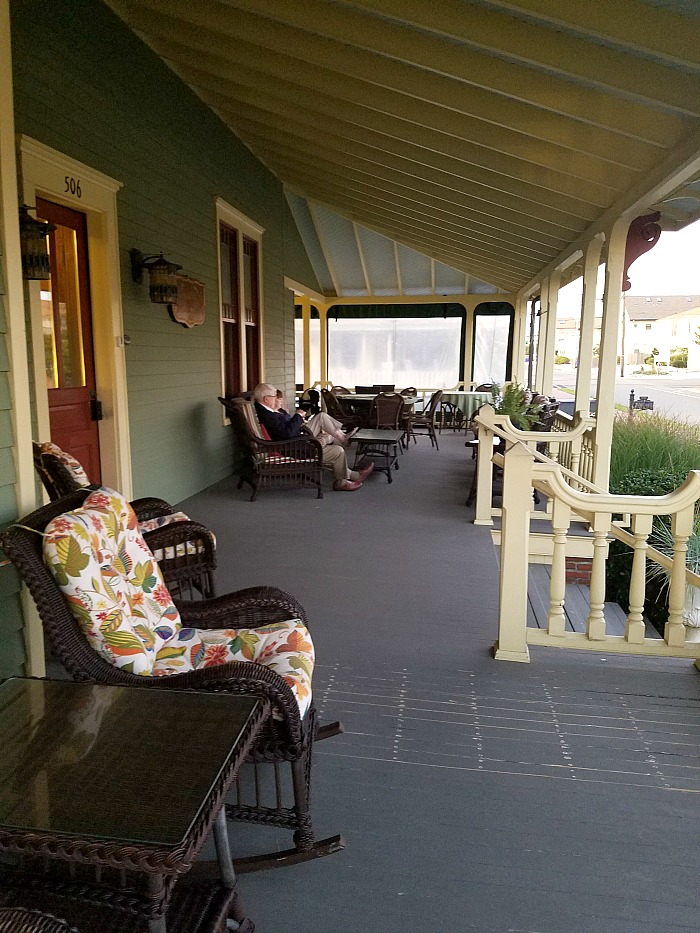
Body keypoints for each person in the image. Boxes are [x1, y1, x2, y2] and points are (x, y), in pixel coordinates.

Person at [253, 384, 373, 492]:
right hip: (292, 447)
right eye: (274, 396)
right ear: (266, 399)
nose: (277, 398)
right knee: (337, 451)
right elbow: (287, 434)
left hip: (296, 438)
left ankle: (352, 472)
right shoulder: (268, 415)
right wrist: (298, 415)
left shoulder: (265, 411)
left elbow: (284, 430)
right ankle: (342, 482)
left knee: (322, 419)